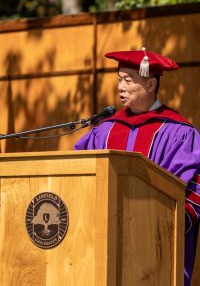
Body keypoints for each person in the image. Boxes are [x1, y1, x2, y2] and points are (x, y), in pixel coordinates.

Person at [75, 47, 200, 285]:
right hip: (103, 241)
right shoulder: (105, 130)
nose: (120, 87)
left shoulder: (180, 133)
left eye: (128, 80)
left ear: (151, 84)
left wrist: (162, 225)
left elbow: (193, 190)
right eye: (119, 80)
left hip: (155, 246)